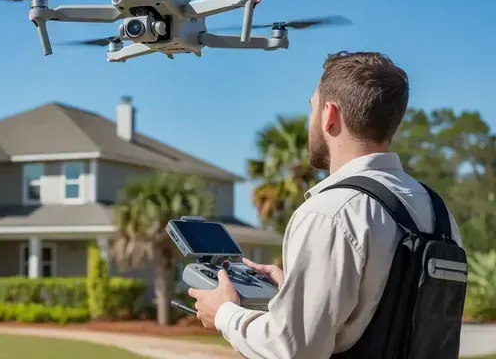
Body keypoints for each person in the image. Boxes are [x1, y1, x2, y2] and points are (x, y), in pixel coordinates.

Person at [188, 51, 463, 358]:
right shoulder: (439, 212)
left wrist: (224, 314)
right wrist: (294, 291)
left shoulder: (330, 212)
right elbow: (394, 312)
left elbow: (295, 350)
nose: (311, 120)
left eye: (312, 108)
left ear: (330, 115)